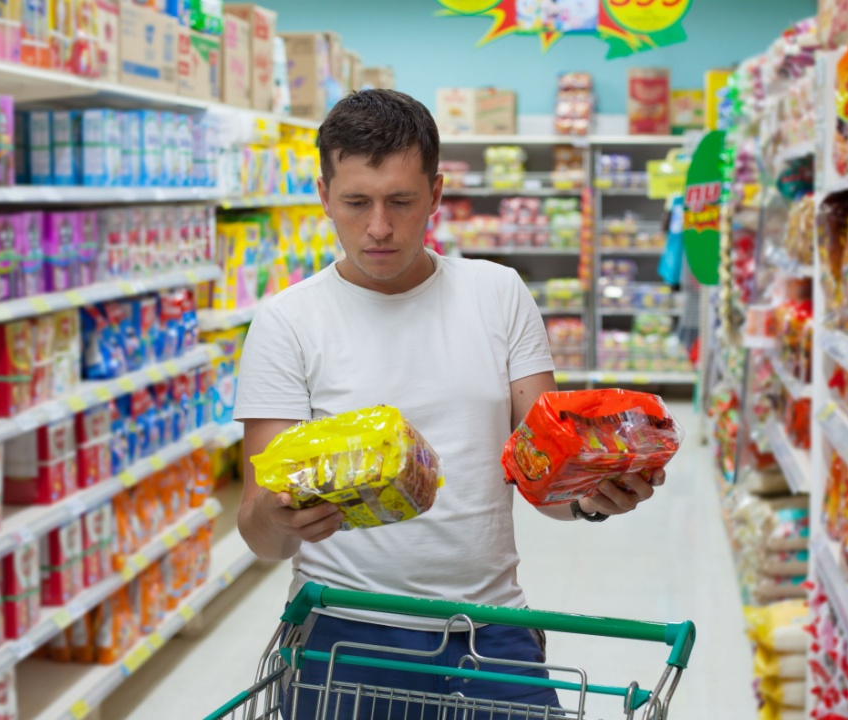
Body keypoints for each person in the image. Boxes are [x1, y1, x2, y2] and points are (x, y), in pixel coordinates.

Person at [234, 89, 665, 706]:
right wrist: (278, 520)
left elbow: (542, 484)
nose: (378, 227)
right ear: (324, 195)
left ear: (435, 194)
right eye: (356, 202)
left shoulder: (499, 294)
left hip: (490, 631)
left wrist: (591, 496)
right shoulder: (288, 322)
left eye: (401, 201)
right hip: (342, 635)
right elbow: (261, 532)